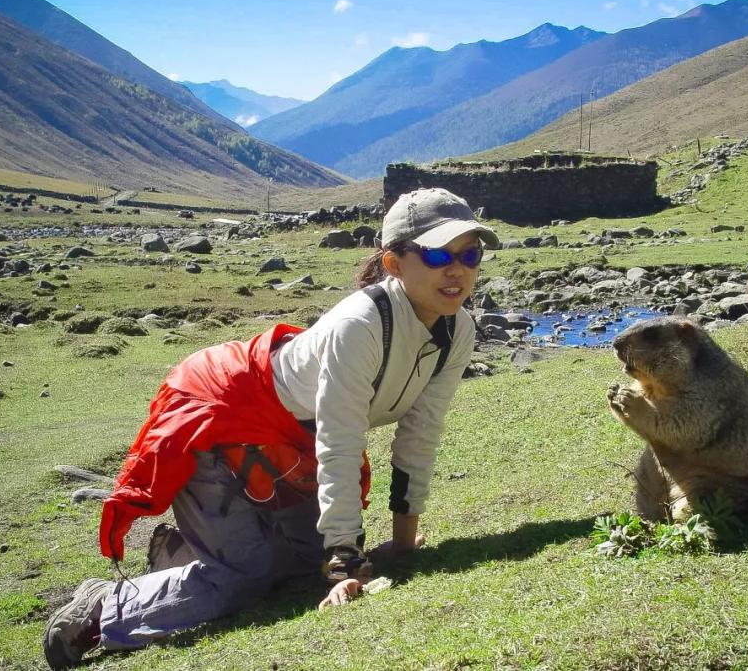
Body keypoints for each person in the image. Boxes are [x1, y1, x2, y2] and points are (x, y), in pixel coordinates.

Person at [43, 188, 498, 669]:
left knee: (307, 562)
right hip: (221, 414)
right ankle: (102, 607)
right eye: (435, 254)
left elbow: (420, 434)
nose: (457, 269)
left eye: (470, 253)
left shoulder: (457, 330)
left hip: (288, 435)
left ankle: (187, 550)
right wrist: (347, 562)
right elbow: (340, 442)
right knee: (245, 579)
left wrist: (403, 542)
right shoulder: (360, 325)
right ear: (394, 262)